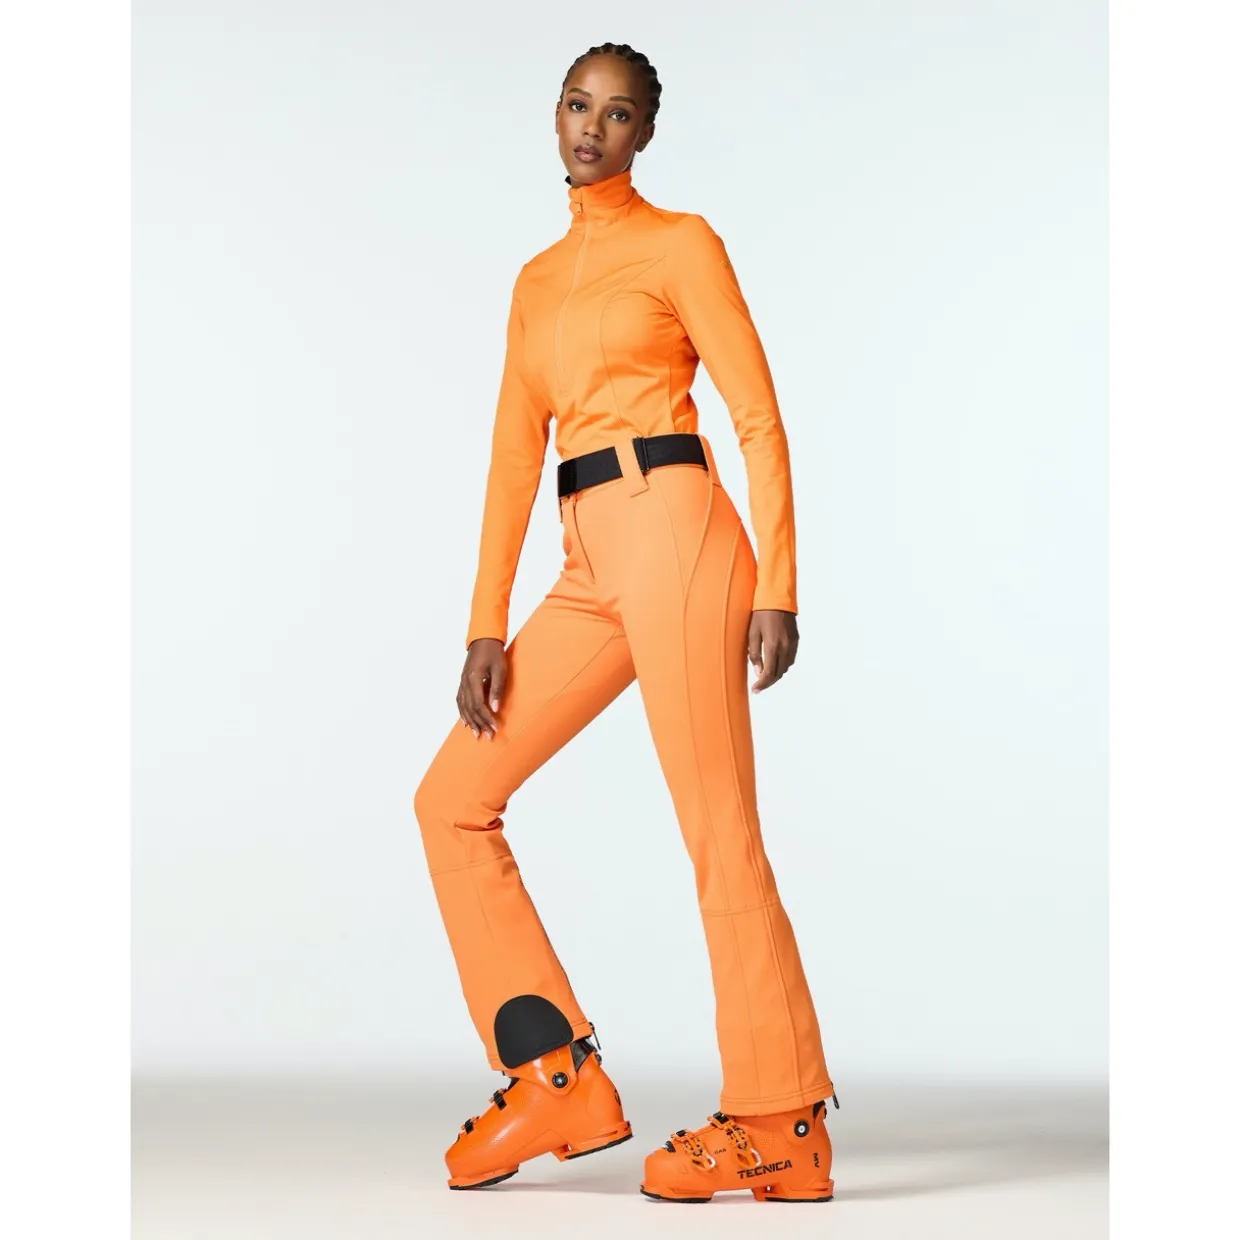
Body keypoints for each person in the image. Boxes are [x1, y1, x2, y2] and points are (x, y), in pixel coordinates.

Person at [413, 41, 838, 1203]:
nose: (590, 127)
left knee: (716, 830)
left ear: (645, 132)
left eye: (616, 112)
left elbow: (757, 416)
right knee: (450, 799)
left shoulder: (680, 243)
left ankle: (779, 1117)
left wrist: (779, 584)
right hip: (587, 559)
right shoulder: (535, 281)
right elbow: (512, 457)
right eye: (576, 104)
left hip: (679, 535)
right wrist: (485, 621)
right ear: (554, 116)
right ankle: (554, 1077)